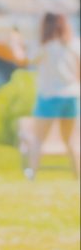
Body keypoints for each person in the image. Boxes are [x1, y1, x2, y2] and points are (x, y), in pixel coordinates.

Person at [24, 12, 80, 180]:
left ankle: (31, 174)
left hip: (49, 96)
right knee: (70, 140)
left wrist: (16, 43)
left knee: (38, 139)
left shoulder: (45, 47)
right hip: (71, 96)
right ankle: (77, 175)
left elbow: (27, 60)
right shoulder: (74, 45)